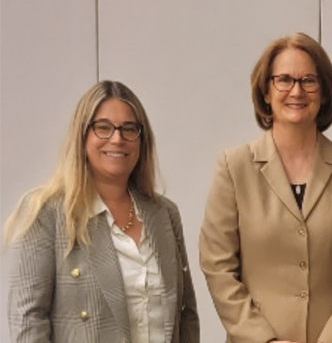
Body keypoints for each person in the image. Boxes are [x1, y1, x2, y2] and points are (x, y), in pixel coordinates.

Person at [199, 32, 332, 343]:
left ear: (325, 92)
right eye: (284, 80)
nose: (296, 91)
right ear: (265, 91)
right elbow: (217, 267)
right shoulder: (234, 167)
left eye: (308, 81)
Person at [5, 80, 199, 343]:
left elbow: (185, 314)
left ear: (143, 140)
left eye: (129, 129)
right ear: (82, 135)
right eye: (103, 128)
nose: (117, 139)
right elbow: (28, 321)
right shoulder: (46, 213)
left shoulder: (164, 213)